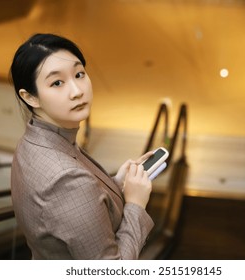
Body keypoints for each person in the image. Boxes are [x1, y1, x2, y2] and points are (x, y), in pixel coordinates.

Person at [9, 33, 154, 259]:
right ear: (30, 98)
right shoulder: (66, 181)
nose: (77, 91)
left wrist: (114, 183)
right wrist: (136, 204)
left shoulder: (33, 141)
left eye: (79, 74)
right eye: (57, 82)